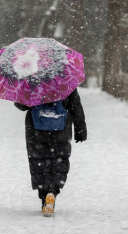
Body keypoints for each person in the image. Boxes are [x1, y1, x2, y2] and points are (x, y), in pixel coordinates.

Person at [14, 88, 87, 217]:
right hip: (61, 128)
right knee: (58, 161)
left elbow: (20, 105)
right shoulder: (65, 81)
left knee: (39, 162)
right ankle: (52, 191)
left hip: (36, 130)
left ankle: (44, 196)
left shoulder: (31, 81)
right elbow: (75, 105)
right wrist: (80, 128)